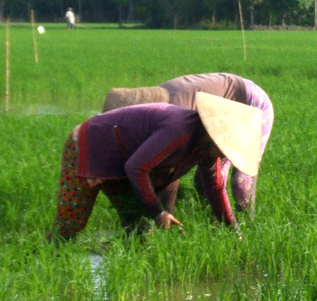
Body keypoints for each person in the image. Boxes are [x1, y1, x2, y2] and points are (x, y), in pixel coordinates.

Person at [48, 93, 262, 241]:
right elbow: (136, 168)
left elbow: (215, 187)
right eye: (226, 150)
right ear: (215, 137)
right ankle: (40, 260)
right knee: (70, 225)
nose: (225, 156)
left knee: (139, 231)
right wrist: (159, 213)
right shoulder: (180, 130)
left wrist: (233, 229)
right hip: (89, 145)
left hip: (122, 160)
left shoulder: (204, 148)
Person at [102, 73, 274, 218]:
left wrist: (162, 213)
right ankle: (213, 223)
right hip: (220, 108)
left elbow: (171, 172)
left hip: (251, 104)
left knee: (239, 180)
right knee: (203, 176)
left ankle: (246, 227)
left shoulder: (174, 115)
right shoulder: (152, 113)